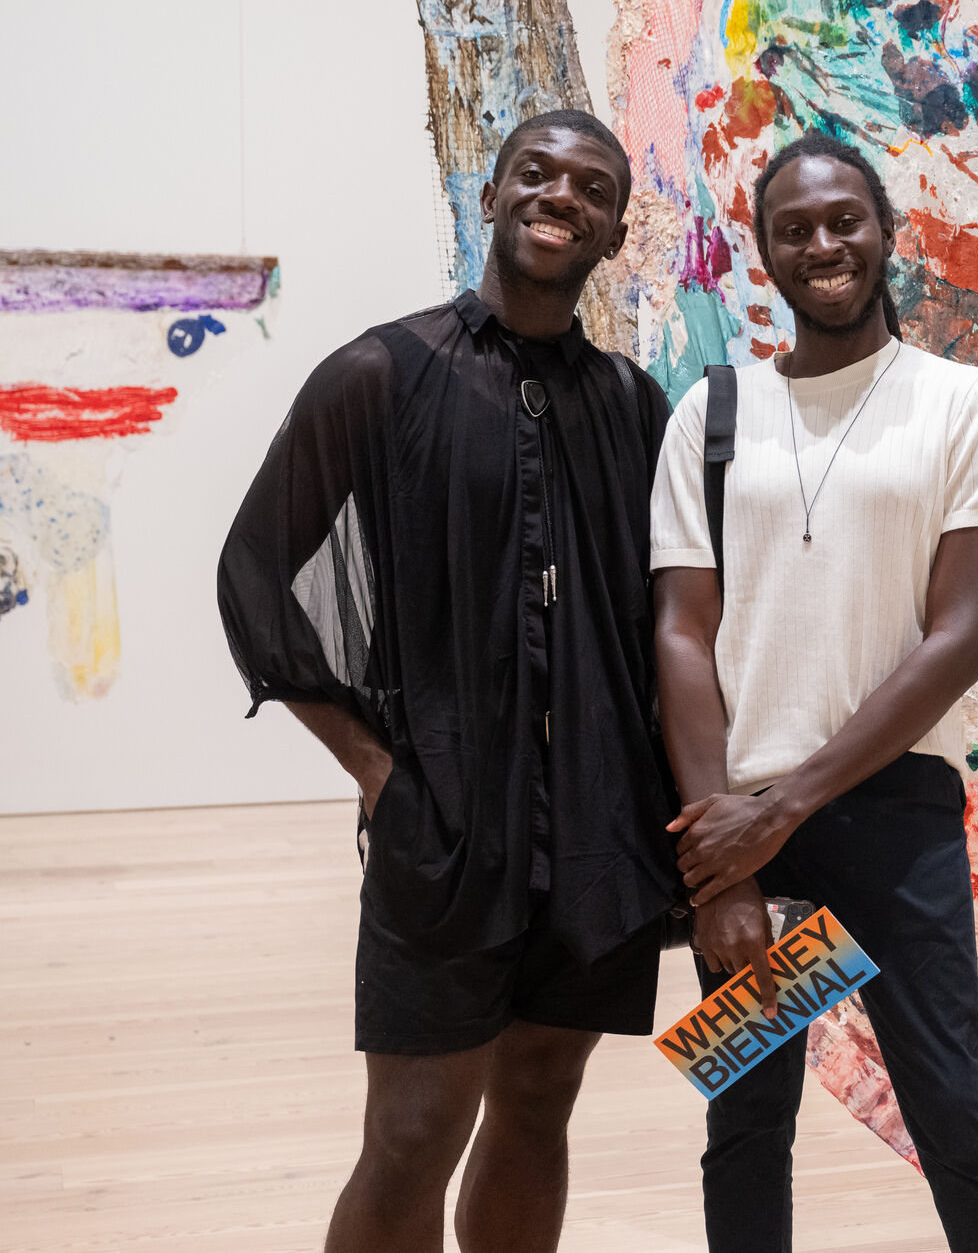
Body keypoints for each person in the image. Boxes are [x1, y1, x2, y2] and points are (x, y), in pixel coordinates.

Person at [217, 110, 676, 1253]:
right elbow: (254, 570)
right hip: (445, 824)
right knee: (416, 1129)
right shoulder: (383, 370)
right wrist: (374, 766)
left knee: (536, 1104)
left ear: (615, 231)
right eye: (536, 173)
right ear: (491, 195)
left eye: (589, 187)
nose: (559, 195)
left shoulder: (632, 406)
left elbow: (674, 621)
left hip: (594, 829)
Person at [649, 130, 978, 1252]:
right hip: (742, 826)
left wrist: (785, 805)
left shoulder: (960, 404)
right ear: (764, 254)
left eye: (842, 221)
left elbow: (957, 638)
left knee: (953, 1113)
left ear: (882, 235)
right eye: (793, 228)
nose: (821, 243)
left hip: (891, 817)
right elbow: (682, 631)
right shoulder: (712, 414)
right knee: (746, 1121)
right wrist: (725, 849)